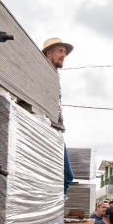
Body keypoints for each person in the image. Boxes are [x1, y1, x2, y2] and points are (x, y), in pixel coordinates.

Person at [42, 37, 75, 196]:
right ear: (49, 53)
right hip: (48, 130)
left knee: (60, 177)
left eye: (64, 52)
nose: (64, 55)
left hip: (57, 131)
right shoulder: (43, 73)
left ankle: (54, 209)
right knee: (66, 176)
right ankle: (55, 209)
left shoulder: (54, 76)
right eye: (60, 51)